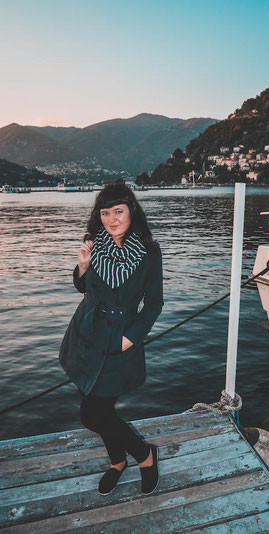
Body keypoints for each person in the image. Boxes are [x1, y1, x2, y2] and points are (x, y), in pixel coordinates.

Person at [58, 182, 164, 496]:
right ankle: (118, 461)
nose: (111, 219)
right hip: (86, 333)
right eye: (105, 212)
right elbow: (82, 287)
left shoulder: (148, 250)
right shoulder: (95, 243)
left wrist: (131, 339)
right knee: (98, 410)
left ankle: (144, 454)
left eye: (118, 211)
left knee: (93, 413)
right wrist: (81, 266)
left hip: (120, 339)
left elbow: (154, 304)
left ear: (132, 210)